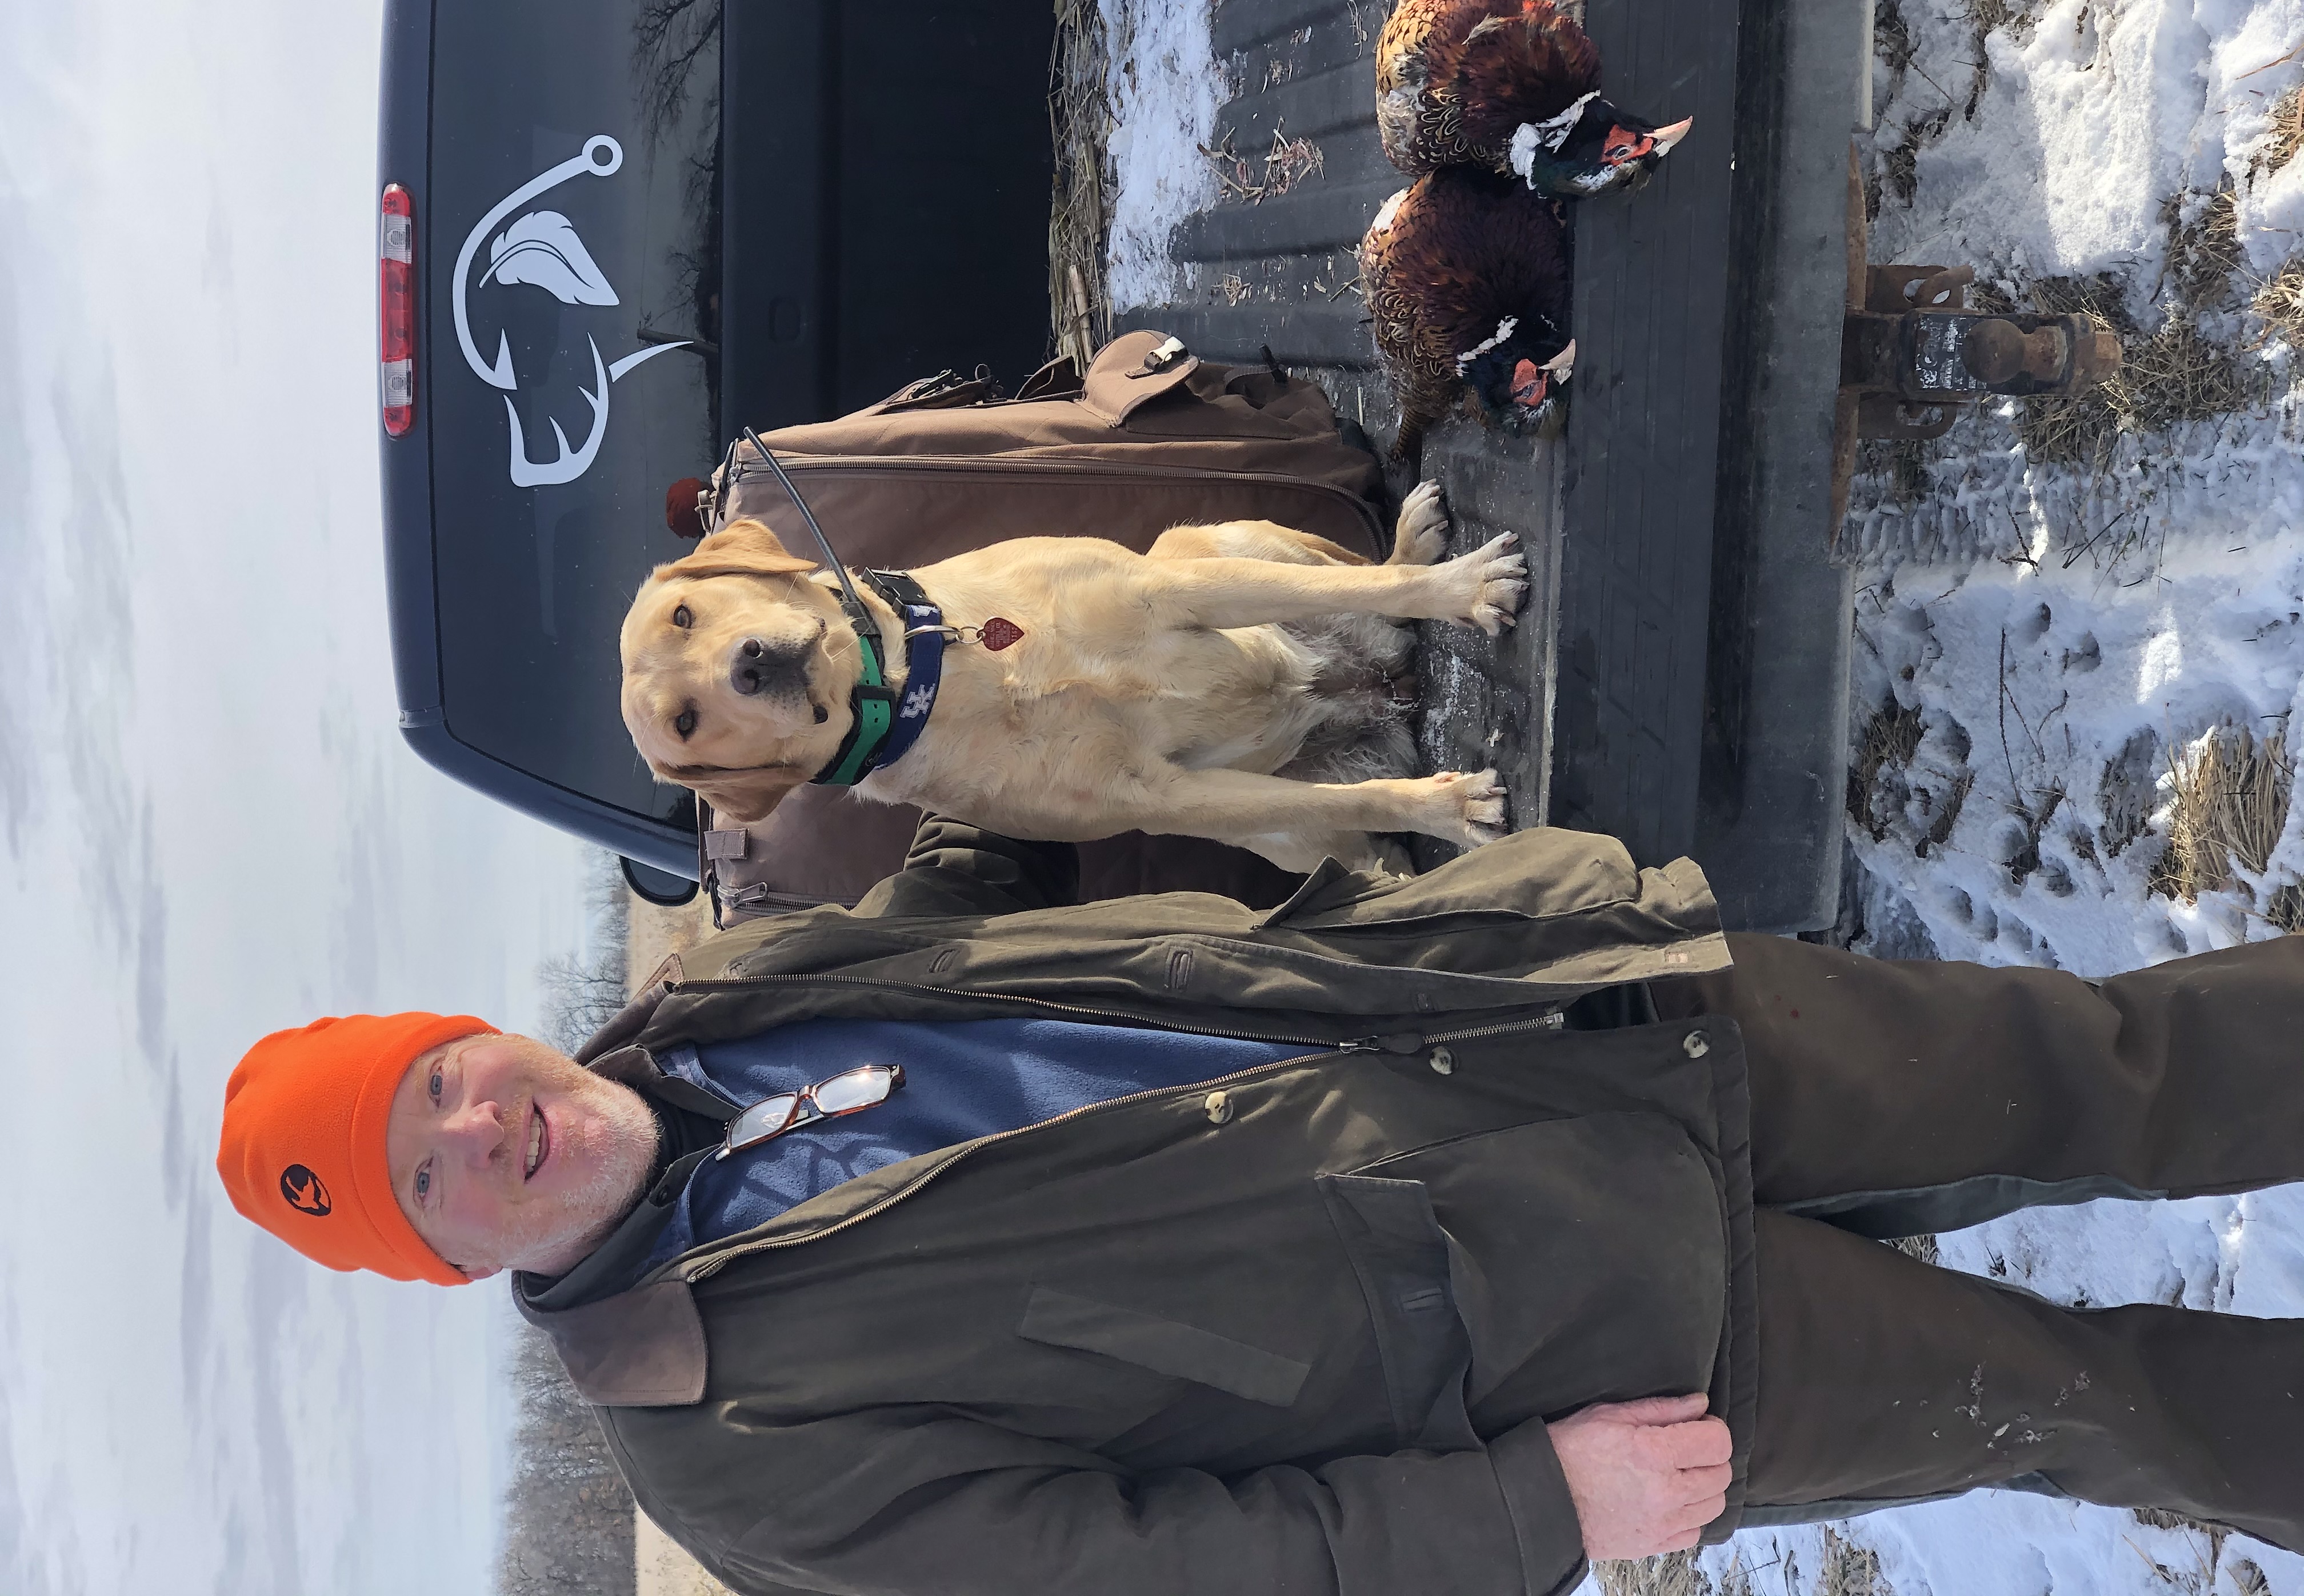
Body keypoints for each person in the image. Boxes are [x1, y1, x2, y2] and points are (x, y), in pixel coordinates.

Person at [219, 817, 2304, 1594]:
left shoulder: (742, 980)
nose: (475, 1135)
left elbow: (1065, 872)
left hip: (1573, 1028)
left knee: (2101, 1055)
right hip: (1597, 1350)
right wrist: (1534, 1516)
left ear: (473, 1036)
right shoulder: (736, 1465)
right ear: (441, 1261)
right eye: (424, 1184)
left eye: (439, 1086)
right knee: (2087, 1396)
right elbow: (1154, 1575)